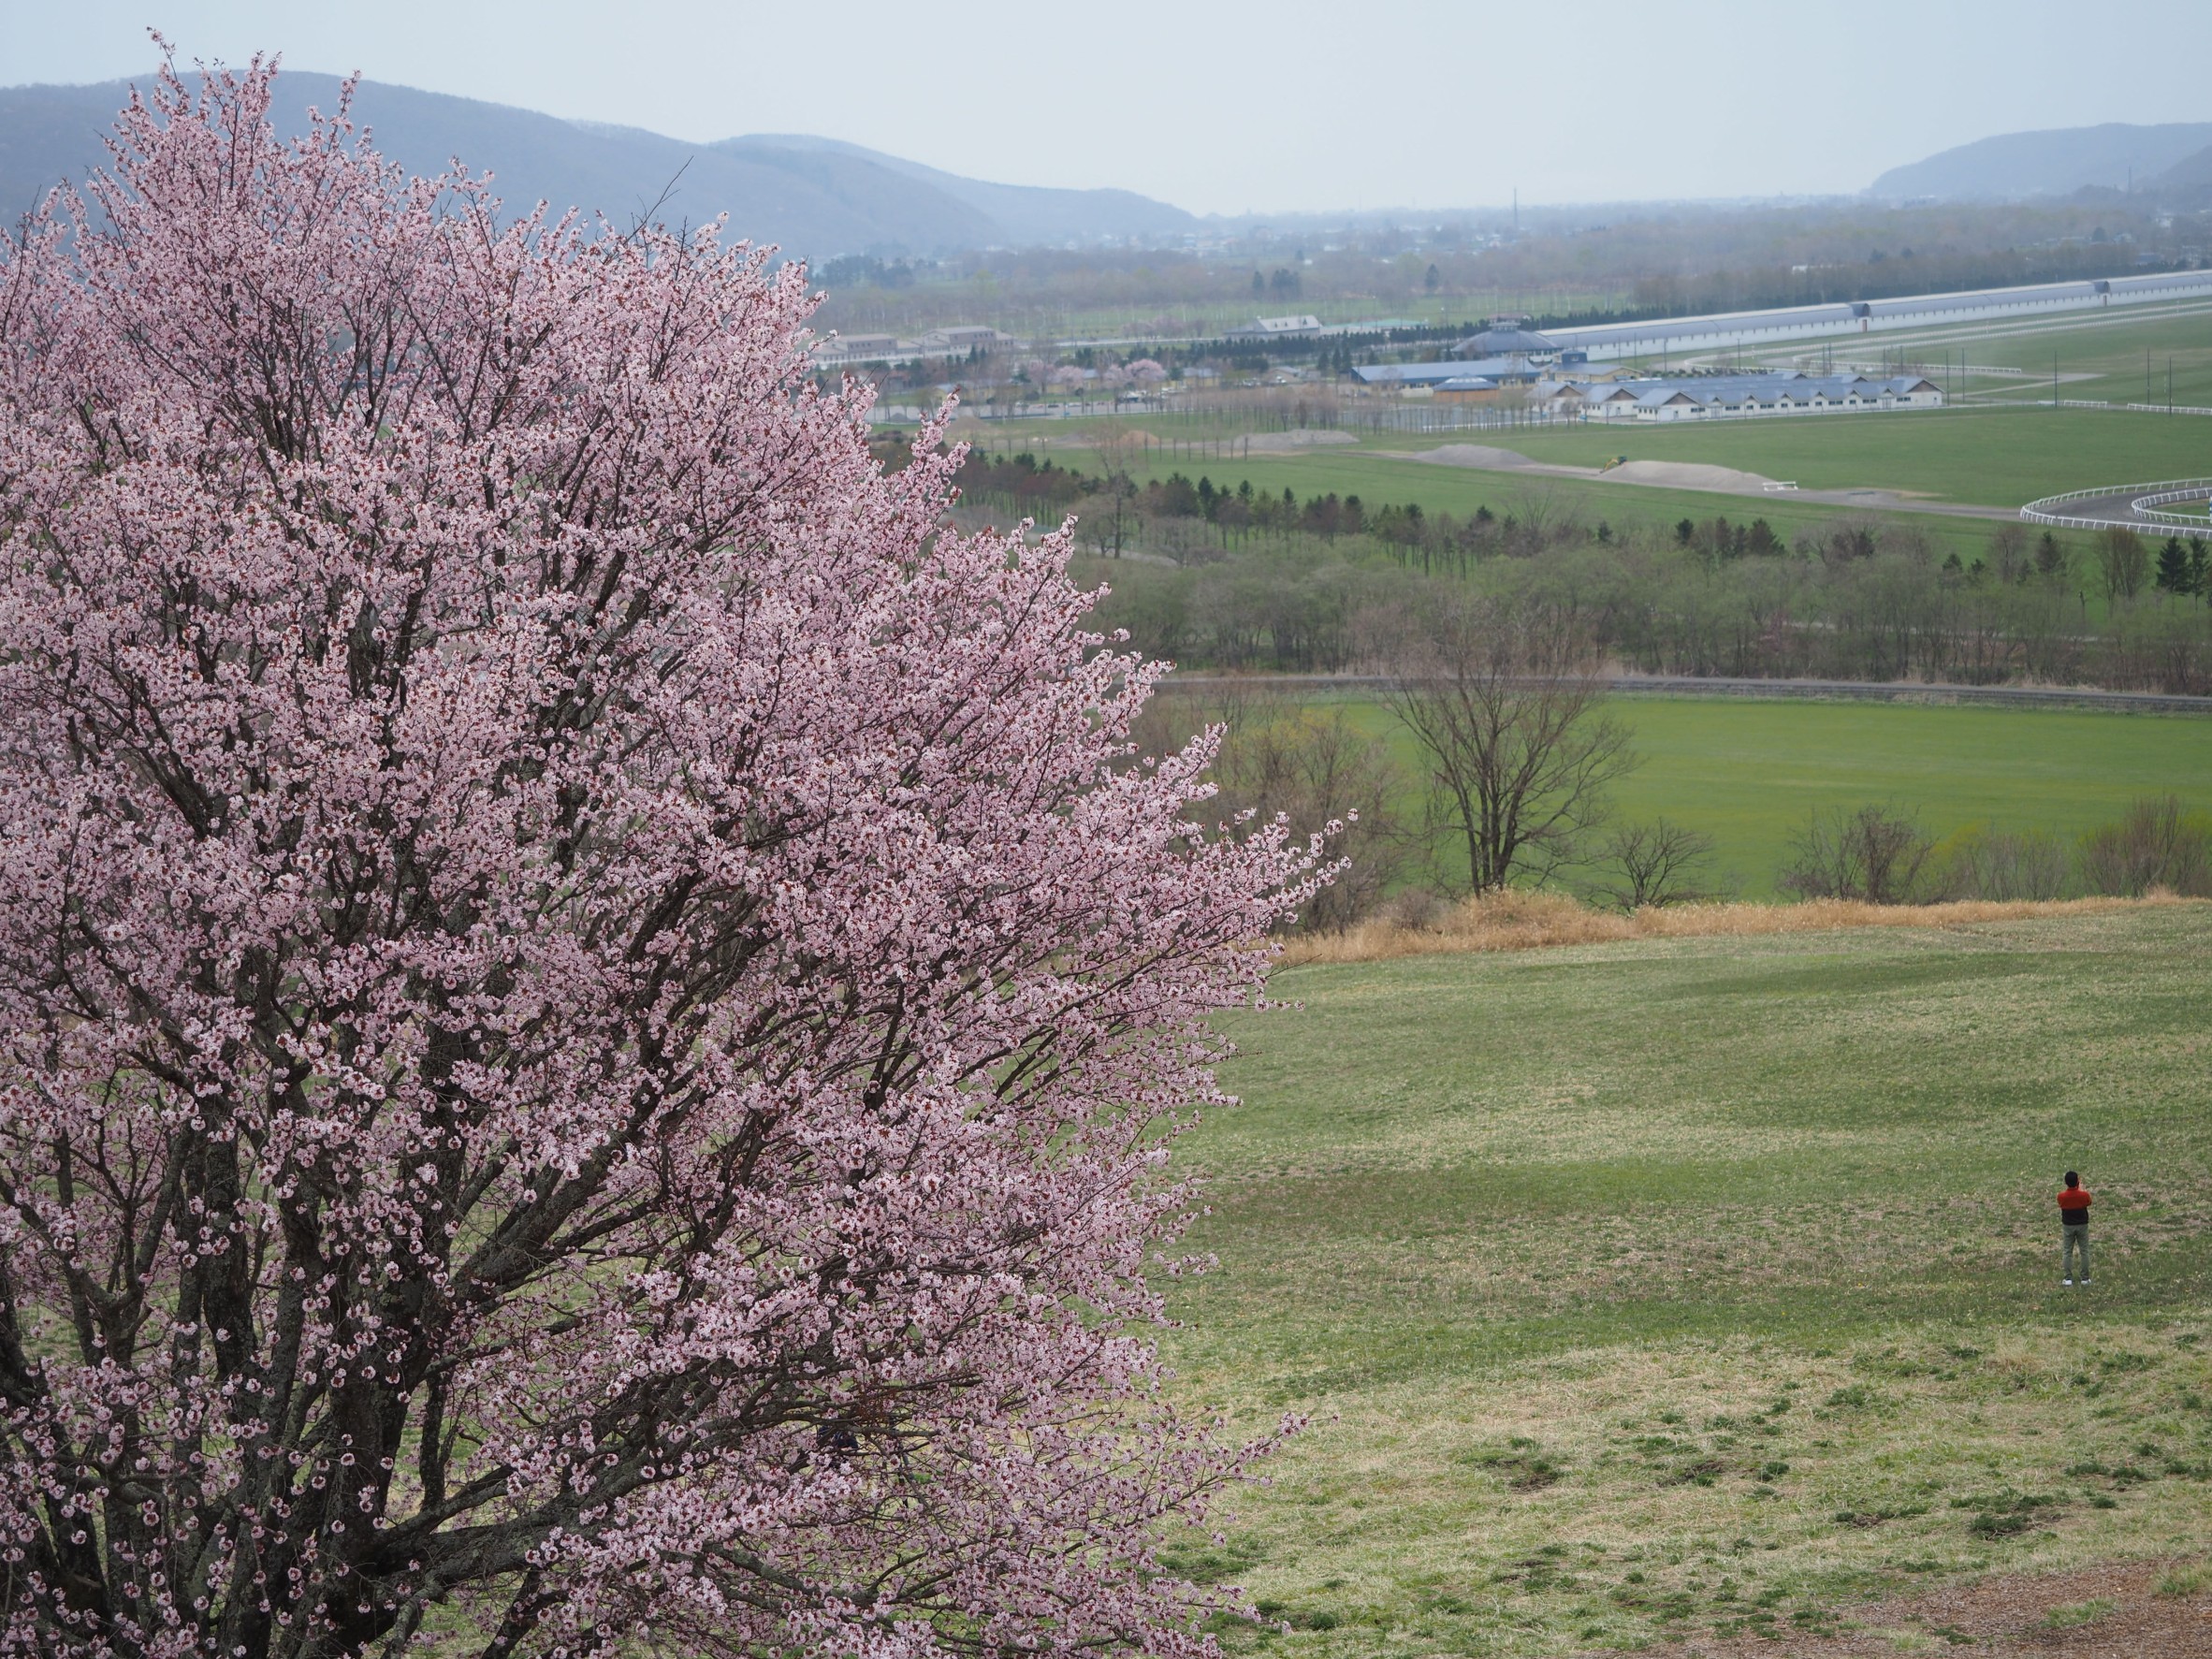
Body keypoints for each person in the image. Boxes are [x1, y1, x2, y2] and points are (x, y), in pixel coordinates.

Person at [2058, 1171, 2092, 1287]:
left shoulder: (2061, 1196)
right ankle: (2085, 1278)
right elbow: (2089, 1202)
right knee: (2084, 1251)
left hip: (2068, 1226)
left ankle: (2068, 1278)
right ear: (2077, 1181)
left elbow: (2061, 1204)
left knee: (2067, 1251)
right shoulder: (2084, 1195)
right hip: (2082, 1225)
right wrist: (2081, 1189)